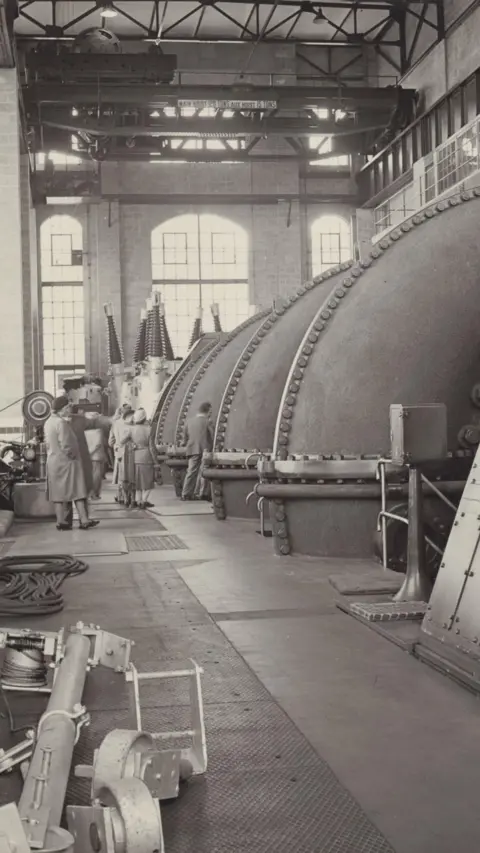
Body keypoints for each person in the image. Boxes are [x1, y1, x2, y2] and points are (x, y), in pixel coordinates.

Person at [44, 396, 99, 530]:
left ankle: (60, 521)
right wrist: (74, 456)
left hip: (53, 461)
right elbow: (68, 444)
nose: (70, 410)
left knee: (58, 494)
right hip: (67, 463)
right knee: (78, 491)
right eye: (68, 407)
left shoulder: (48, 422)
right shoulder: (61, 423)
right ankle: (84, 520)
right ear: (62, 409)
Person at [121, 408, 155, 509]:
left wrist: (132, 444)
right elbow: (152, 447)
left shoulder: (131, 429)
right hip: (146, 456)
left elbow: (122, 441)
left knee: (137, 482)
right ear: (144, 418)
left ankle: (139, 501)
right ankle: (144, 501)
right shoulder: (149, 429)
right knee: (148, 481)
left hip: (135, 457)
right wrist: (155, 461)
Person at [181, 401, 213, 501]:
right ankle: (202, 493)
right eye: (210, 412)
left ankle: (186, 493)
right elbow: (212, 436)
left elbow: (184, 439)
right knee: (204, 472)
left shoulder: (189, 421)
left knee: (191, 471)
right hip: (205, 450)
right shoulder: (208, 421)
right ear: (208, 411)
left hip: (192, 449)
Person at [109, 405, 131, 504]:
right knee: (130, 475)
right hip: (130, 451)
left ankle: (120, 496)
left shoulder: (115, 424)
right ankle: (128, 497)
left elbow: (110, 441)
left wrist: (116, 446)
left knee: (120, 475)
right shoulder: (131, 424)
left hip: (119, 452)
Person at [84, 416, 106, 500]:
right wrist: (91, 453)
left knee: (89, 476)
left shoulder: (84, 431)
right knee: (96, 477)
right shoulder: (98, 431)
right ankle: (94, 494)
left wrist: (87, 454)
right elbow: (98, 444)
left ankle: (89, 493)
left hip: (88, 456)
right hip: (97, 456)